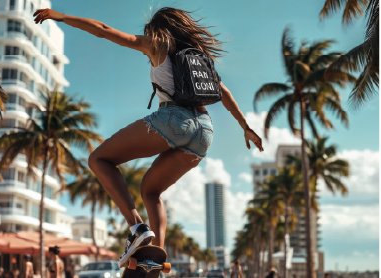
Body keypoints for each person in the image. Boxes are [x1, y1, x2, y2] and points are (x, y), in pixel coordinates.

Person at [32, 5, 264, 268]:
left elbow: (104, 31)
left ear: (158, 29)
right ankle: (157, 256)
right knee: (150, 190)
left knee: (99, 159)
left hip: (175, 120)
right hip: (205, 133)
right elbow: (225, 94)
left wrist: (61, 17)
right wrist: (245, 126)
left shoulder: (157, 45)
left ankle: (136, 229)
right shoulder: (199, 59)